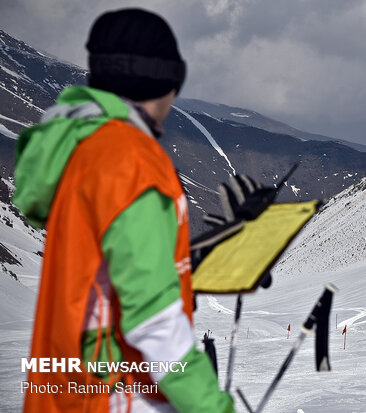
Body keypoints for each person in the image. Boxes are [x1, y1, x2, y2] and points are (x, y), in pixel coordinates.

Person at [14, 8, 234, 413]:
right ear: (164, 80)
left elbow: (107, 272)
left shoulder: (80, 149)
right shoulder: (131, 161)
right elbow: (155, 321)